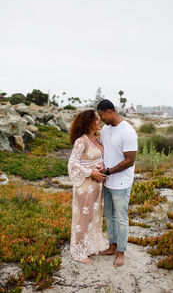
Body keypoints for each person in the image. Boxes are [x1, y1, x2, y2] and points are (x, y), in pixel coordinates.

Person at [97, 99, 138, 267]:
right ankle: (112, 246)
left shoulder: (128, 131)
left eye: (102, 115)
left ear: (109, 111)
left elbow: (129, 161)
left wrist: (109, 171)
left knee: (121, 218)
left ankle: (121, 252)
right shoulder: (105, 130)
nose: (101, 120)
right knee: (109, 215)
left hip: (121, 182)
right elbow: (103, 151)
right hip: (107, 181)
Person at [68, 109, 107, 264]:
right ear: (88, 122)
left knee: (93, 217)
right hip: (85, 185)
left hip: (97, 186)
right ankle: (78, 251)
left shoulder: (97, 139)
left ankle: (87, 247)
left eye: (99, 119)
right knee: (83, 219)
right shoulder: (81, 141)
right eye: (96, 120)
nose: (99, 122)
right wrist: (91, 172)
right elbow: (72, 165)